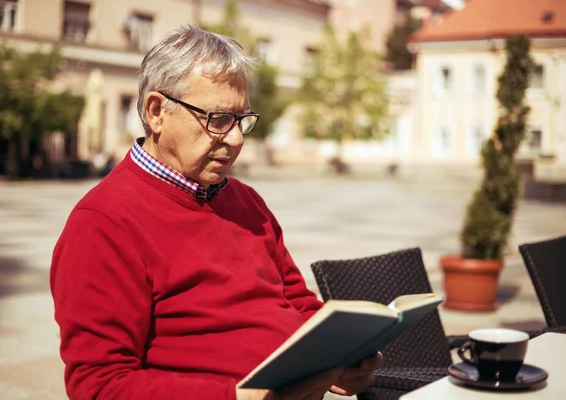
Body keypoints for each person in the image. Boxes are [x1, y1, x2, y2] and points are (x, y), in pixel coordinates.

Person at [50, 26, 382, 400]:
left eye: (241, 120)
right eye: (218, 119)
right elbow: (100, 386)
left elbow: (295, 301)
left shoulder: (246, 201)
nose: (236, 138)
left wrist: (339, 357)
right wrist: (238, 397)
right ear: (157, 112)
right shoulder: (102, 223)